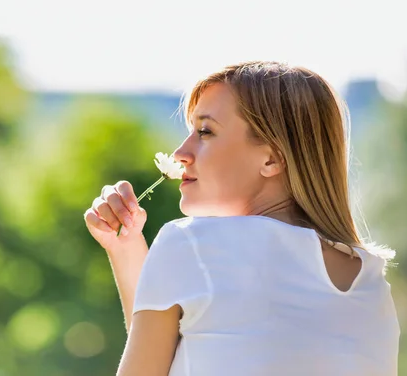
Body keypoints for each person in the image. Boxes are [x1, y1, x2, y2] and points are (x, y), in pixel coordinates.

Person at [84, 61, 400, 376]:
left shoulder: (190, 244)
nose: (181, 152)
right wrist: (126, 249)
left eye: (205, 132)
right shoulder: (371, 282)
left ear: (271, 158)